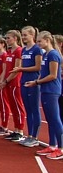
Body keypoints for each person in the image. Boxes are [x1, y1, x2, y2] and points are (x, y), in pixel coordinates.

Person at [28, 31, 62, 159]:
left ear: (47, 40)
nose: (38, 44)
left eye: (39, 41)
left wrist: (36, 82)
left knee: (55, 119)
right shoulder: (46, 54)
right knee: (49, 119)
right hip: (46, 89)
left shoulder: (53, 55)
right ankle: (52, 144)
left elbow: (53, 75)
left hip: (52, 90)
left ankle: (61, 147)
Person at [9, 26, 42, 145]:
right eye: (22, 35)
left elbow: (38, 67)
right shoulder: (24, 50)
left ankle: (35, 137)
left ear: (32, 36)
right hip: (23, 81)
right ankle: (29, 135)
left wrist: (21, 69)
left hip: (33, 81)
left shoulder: (37, 49)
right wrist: (21, 69)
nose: (23, 37)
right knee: (28, 109)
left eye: (25, 35)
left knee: (34, 109)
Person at [0, 30, 26, 140]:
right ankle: (16, 129)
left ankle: (20, 130)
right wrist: (4, 80)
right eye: (6, 38)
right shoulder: (10, 51)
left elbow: (17, 69)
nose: (7, 40)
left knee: (18, 106)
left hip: (15, 82)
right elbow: (6, 68)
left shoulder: (19, 51)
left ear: (15, 38)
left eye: (8, 38)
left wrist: (6, 80)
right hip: (9, 82)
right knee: (13, 106)